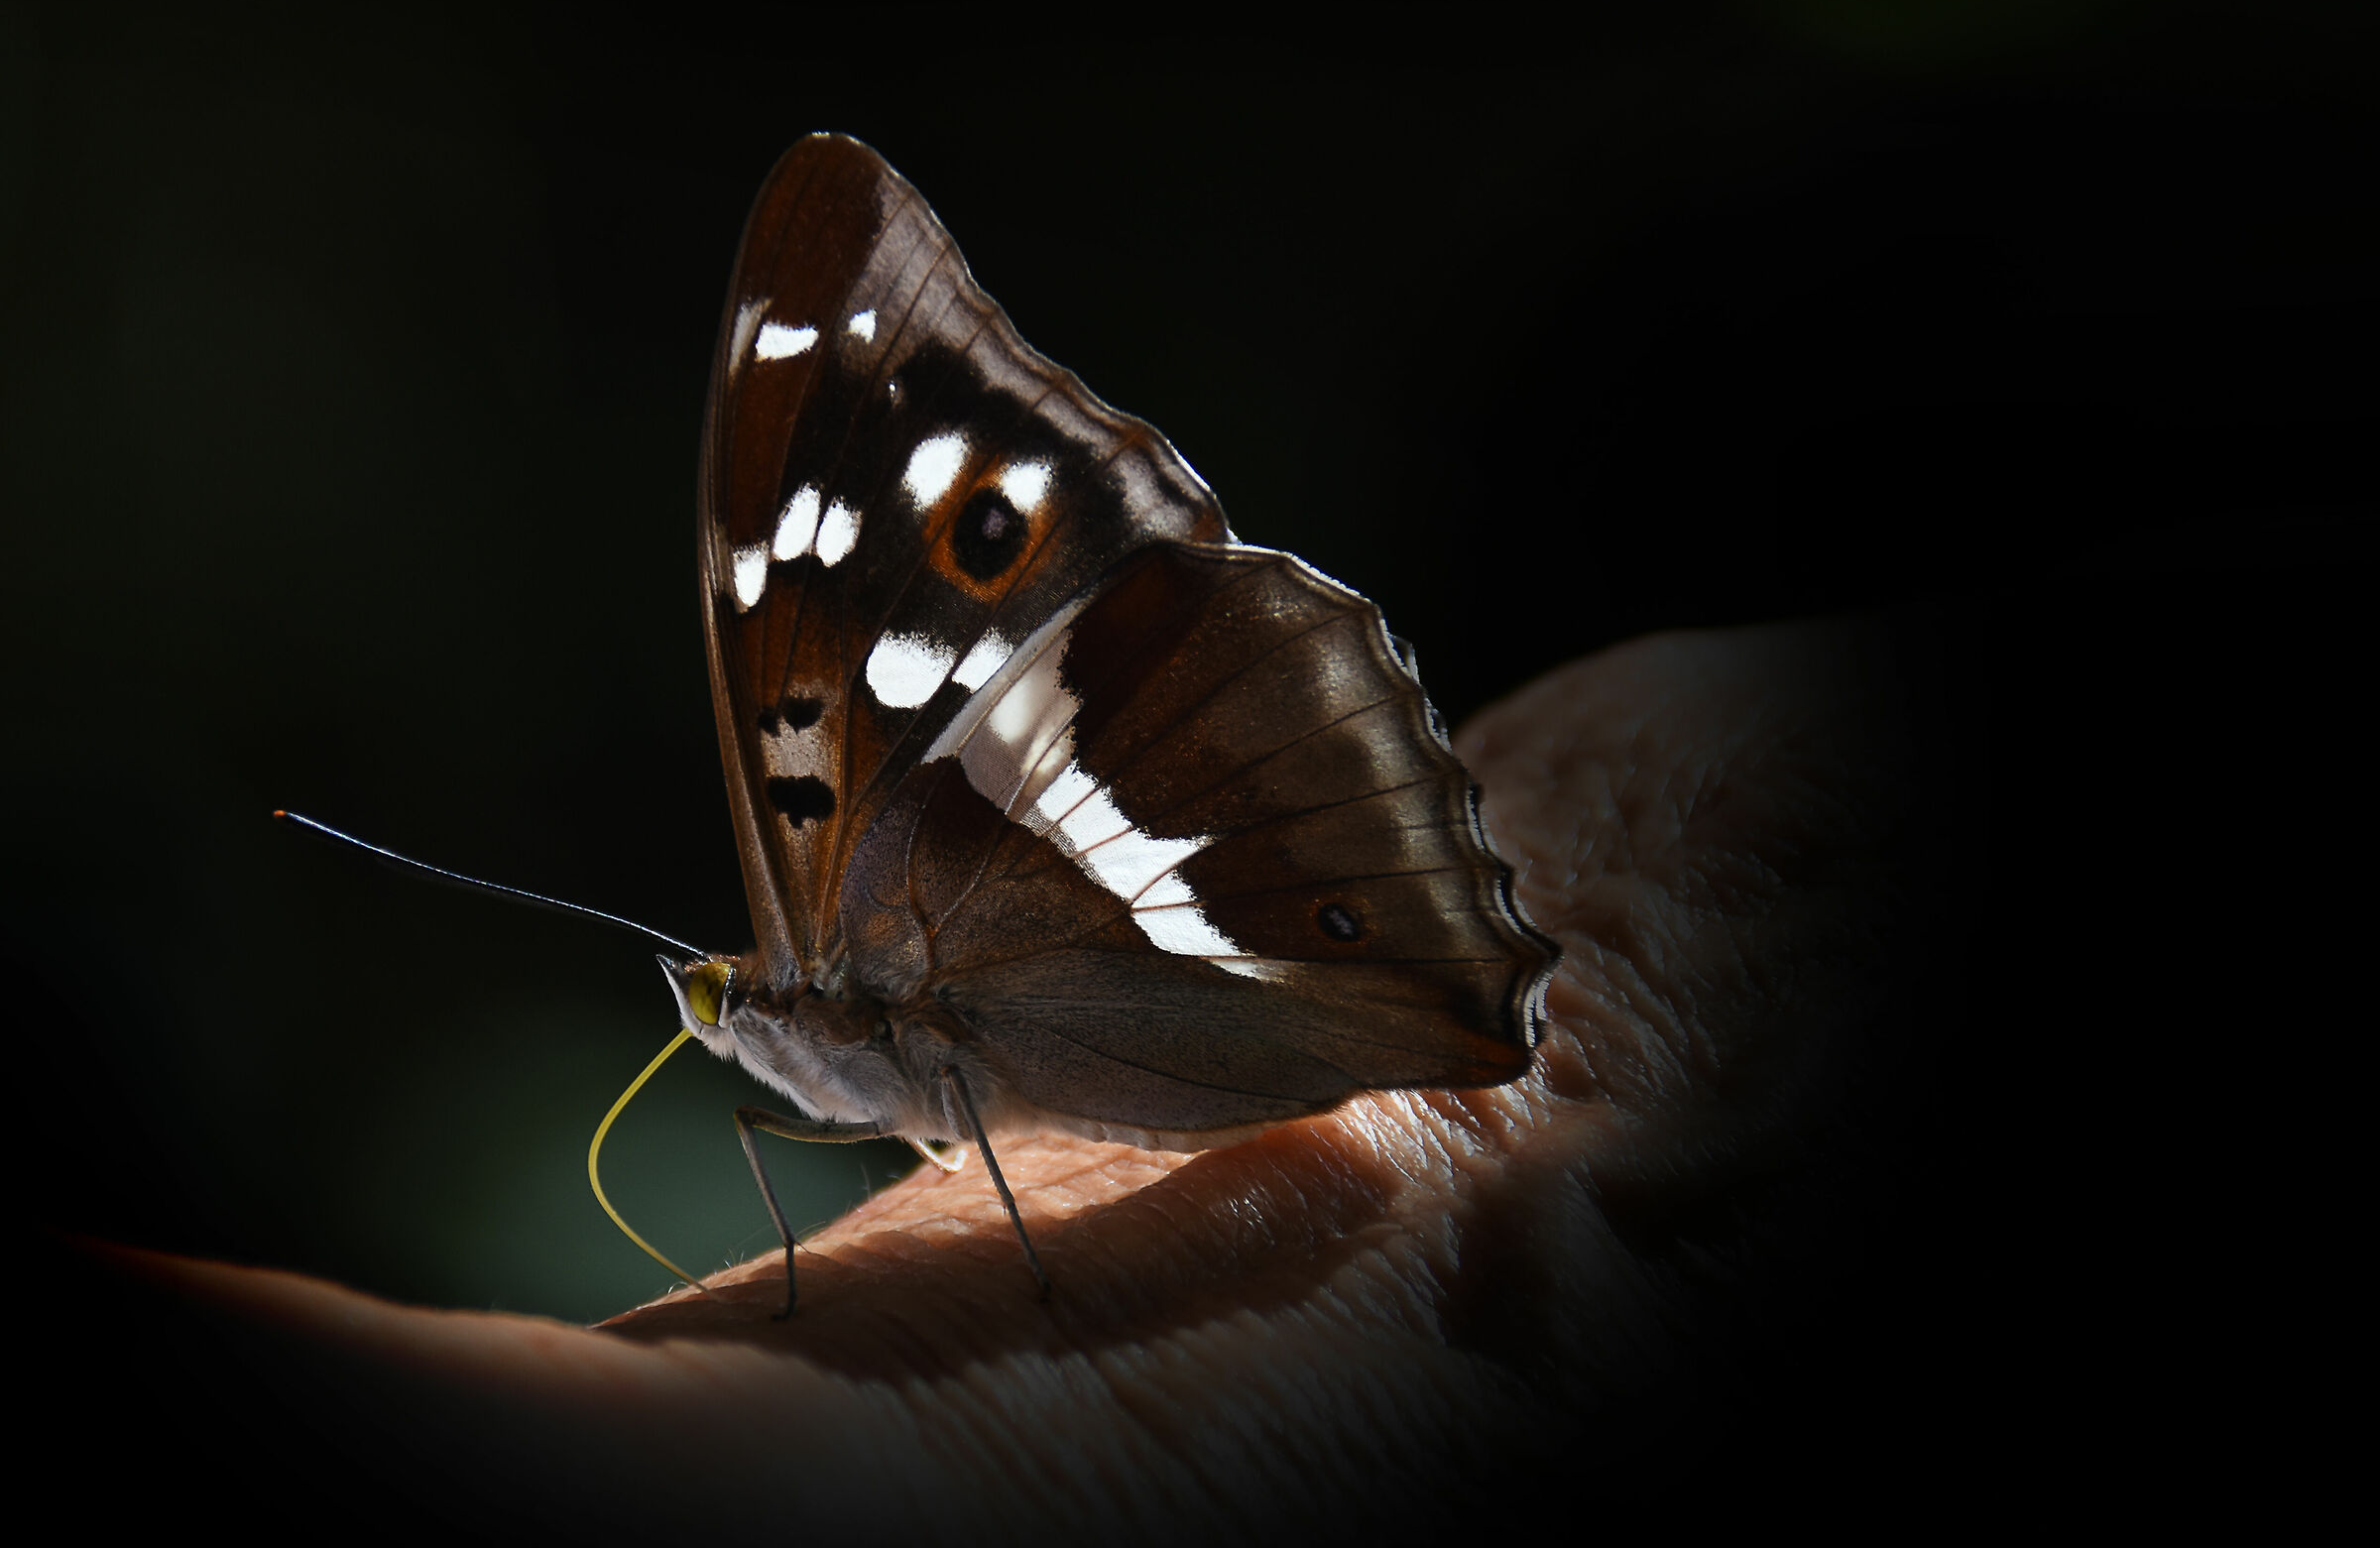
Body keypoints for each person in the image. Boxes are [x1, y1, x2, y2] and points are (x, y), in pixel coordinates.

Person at [78, 617, 1956, 1535]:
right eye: (706, 993)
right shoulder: (785, 1055)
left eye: (713, 984)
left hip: (1209, 899)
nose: (708, 1001)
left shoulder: (849, 920)